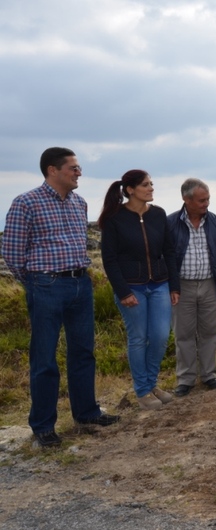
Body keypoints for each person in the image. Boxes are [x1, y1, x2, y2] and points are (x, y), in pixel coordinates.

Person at [2, 147, 120, 447]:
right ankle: (43, 427)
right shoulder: (26, 202)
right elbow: (13, 254)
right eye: (73, 167)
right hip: (46, 287)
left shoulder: (79, 203)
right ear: (52, 170)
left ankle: (87, 413)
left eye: (78, 167)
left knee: (83, 352)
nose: (79, 172)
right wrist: (36, 283)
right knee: (44, 358)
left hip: (80, 283)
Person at [98, 170, 180, 411]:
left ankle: (152, 384)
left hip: (159, 285)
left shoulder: (158, 214)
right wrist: (123, 292)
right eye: (146, 185)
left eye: (151, 183)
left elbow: (169, 251)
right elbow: (109, 259)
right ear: (130, 190)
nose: (151, 188)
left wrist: (174, 285)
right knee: (138, 338)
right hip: (132, 288)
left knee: (160, 336)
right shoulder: (115, 218)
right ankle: (143, 391)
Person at [167, 178, 216, 397]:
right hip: (181, 287)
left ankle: (209, 375)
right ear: (186, 199)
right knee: (183, 334)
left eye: (208, 199)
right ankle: (185, 379)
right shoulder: (170, 223)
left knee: (210, 332)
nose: (206, 204)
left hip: (211, 285)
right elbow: (166, 256)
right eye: (202, 200)